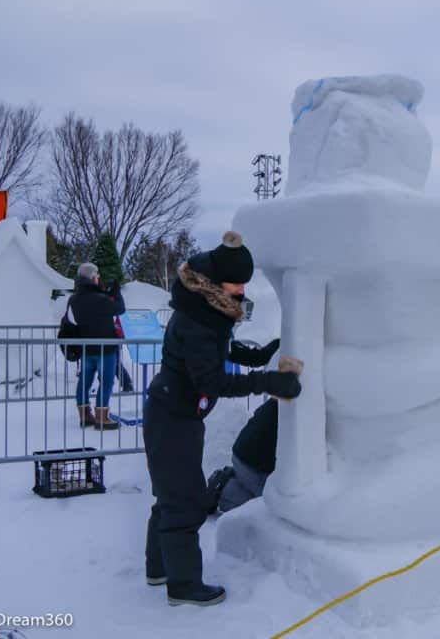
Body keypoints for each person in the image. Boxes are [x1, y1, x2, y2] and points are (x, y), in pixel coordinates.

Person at [143, 232, 302, 607]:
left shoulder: (203, 307)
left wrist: (260, 354)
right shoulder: (199, 320)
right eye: (237, 283)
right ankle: (183, 585)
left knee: (169, 495)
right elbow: (212, 380)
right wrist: (268, 382)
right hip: (173, 416)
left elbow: (219, 350)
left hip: (176, 411)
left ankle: (159, 568)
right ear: (217, 282)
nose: (242, 289)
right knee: (183, 500)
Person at [65, 263, 122, 430]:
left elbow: (72, 320)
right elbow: (120, 308)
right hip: (105, 348)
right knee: (106, 382)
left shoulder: (74, 299)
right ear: (93, 277)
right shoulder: (101, 299)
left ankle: (84, 415)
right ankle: (102, 418)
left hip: (86, 347)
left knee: (84, 381)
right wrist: (116, 292)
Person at [206, 396, 281, 514]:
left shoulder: (292, 389)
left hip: (249, 453)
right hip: (252, 464)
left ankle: (235, 479)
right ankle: (222, 489)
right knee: (274, 510)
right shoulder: (302, 407)